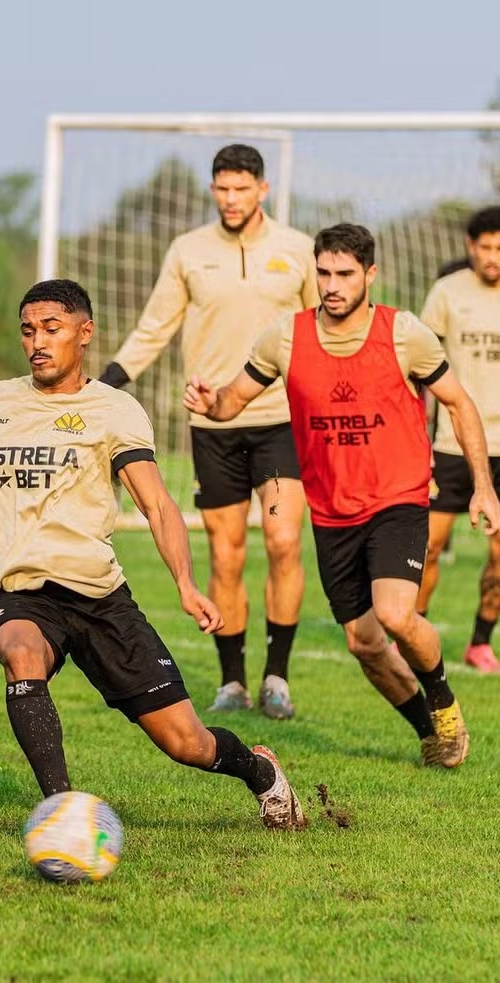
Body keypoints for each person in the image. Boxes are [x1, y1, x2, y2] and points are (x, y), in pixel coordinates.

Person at [0, 278, 306, 833]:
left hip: (101, 599)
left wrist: (184, 583)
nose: (37, 342)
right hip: (23, 596)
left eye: (51, 329)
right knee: (20, 652)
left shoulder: (114, 410)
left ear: (84, 335)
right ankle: (62, 812)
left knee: (187, 743)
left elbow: (157, 505)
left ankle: (259, 772)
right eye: (27, 331)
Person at [184, 223, 500, 768]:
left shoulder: (405, 334)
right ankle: (430, 732)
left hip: (398, 497)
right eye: (324, 273)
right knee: (364, 644)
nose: (332, 285)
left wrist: (483, 487)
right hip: (331, 512)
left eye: (345, 274)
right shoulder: (284, 338)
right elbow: (233, 401)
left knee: (396, 614)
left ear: (369, 275)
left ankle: (444, 700)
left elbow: (459, 403)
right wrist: (211, 403)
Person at [99, 144, 319, 719]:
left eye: (241, 188)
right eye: (222, 188)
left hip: (280, 419)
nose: (230, 199)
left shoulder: (297, 250)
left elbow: (324, 331)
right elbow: (155, 326)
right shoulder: (188, 251)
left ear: (262, 190)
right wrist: (105, 383)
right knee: (225, 556)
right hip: (212, 426)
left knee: (284, 542)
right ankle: (232, 682)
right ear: (213, 190)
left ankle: (277, 676)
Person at [417, 206, 500, 672]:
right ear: (471, 246)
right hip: (452, 442)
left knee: (499, 557)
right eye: (485, 247)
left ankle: (480, 642)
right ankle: (415, 634)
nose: (492, 257)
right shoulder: (447, 292)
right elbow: (419, 365)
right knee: (428, 546)